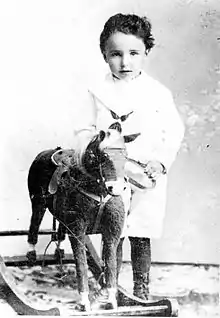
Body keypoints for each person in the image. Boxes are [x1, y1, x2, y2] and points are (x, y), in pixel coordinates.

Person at [73, 13, 185, 301]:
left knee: (141, 229)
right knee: (115, 230)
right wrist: (90, 152)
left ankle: (141, 287)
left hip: (144, 173)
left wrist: (160, 161)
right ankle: (111, 284)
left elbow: (173, 131)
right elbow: (84, 129)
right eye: (116, 54)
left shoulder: (158, 93)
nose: (125, 62)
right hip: (109, 177)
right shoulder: (96, 92)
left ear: (146, 52)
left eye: (134, 53)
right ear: (104, 56)